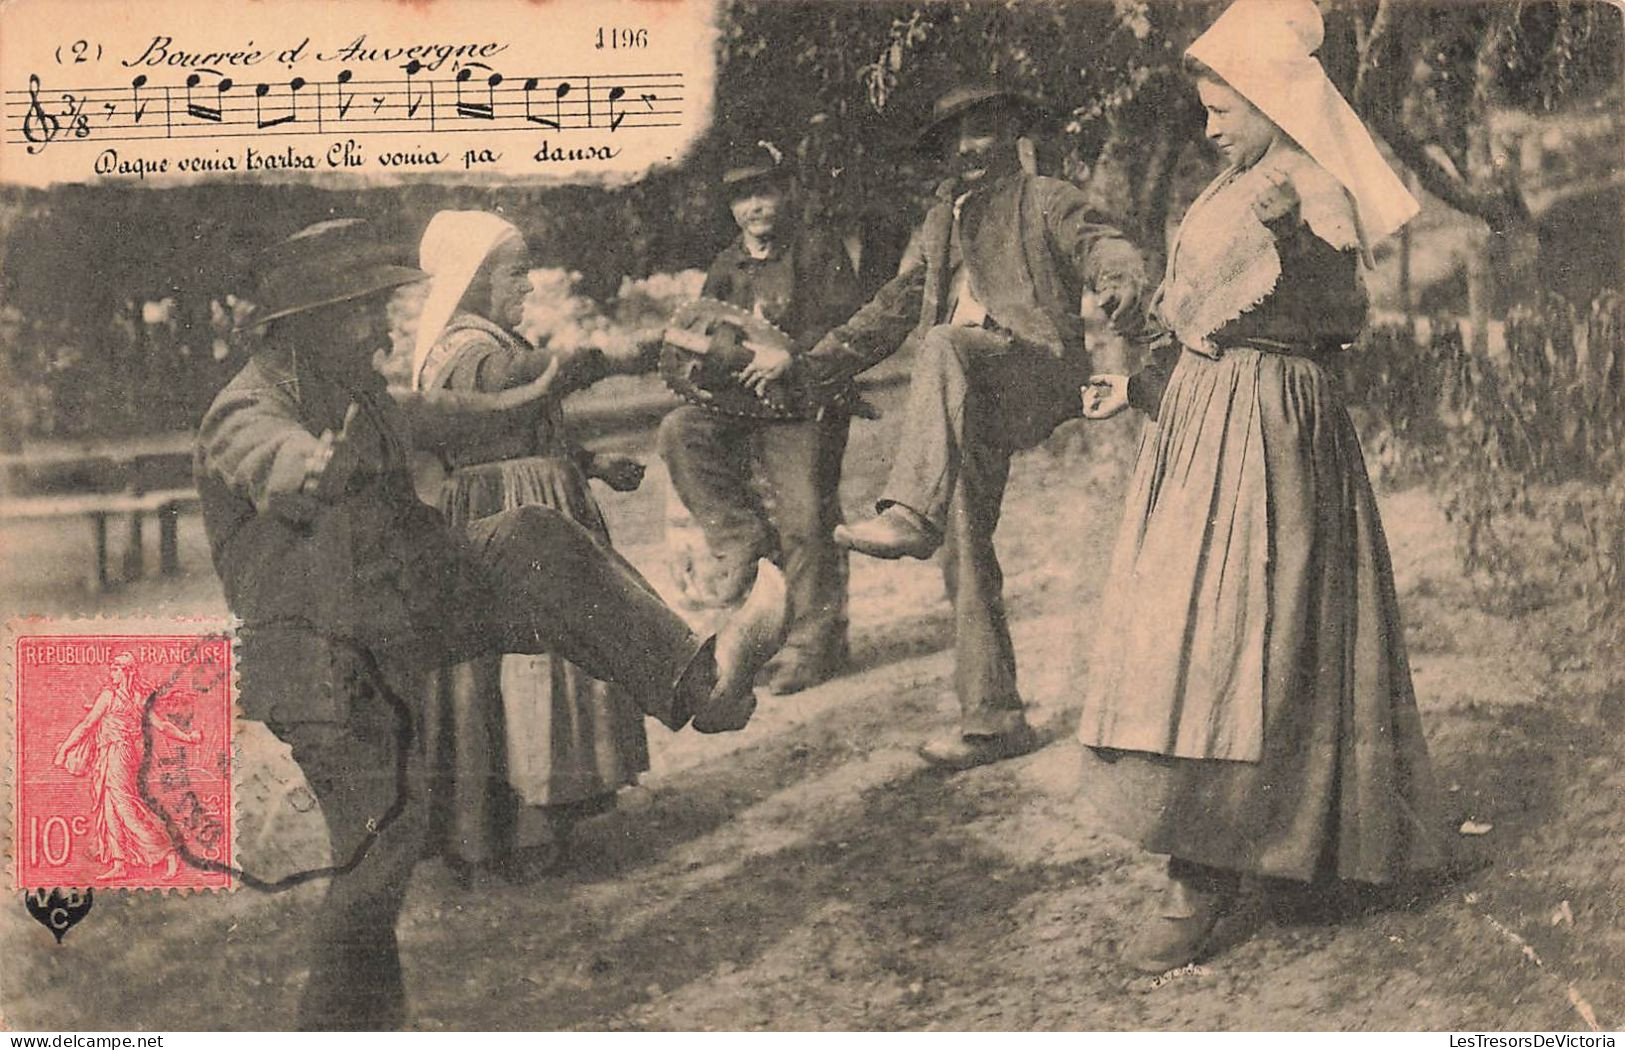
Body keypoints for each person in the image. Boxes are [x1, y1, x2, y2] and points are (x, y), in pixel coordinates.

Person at [195, 217, 788, 1029]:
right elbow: (270, 455)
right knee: (380, 859)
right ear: (302, 325)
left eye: (381, 304)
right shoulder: (248, 407)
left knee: (529, 538)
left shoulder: (354, 390)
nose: (381, 323)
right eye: (360, 309)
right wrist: (312, 468)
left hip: (401, 614)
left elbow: (469, 410)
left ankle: (700, 684)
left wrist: (598, 362)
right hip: (318, 663)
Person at [1074, 0, 1444, 974]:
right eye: (1203, 114)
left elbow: (1328, 316)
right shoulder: (1226, 190)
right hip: (1205, 424)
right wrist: (1139, 372)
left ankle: (1219, 873)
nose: (1210, 130)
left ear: (1275, 99)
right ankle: (1222, 858)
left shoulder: (1307, 186)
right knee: (1199, 634)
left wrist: (1308, 237)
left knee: (1250, 640)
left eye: (1221, 111)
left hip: (1271, 429)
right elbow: (1205, 324)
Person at [804, 85, 1148, 770]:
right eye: (954, 139)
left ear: (1012, 134)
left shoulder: (1044, 197)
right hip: (965, 396)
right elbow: (893, 305)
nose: (967, 149)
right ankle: (991, 716)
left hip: (1034, 374)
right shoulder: (936, 223)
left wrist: (1121, 280)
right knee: (962, 537)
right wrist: (810, 366)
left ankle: (907, 514)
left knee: (943, 343)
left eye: (982, 133)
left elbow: (1101, 243)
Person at [410, 209, 654, 881]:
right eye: (514, 271)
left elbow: (520, 423)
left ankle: (534, 818)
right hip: (508, 510)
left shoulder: (488, 342)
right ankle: (521, 827)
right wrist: (615, 356)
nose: (527, 283)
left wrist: (589, 461)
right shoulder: (468, 352)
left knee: (538, 663)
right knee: (525, 664)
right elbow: (518, 385)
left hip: (530, 496)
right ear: (471, 281)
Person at [657, 143, 863, 694]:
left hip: (800, 405)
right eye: (743, 197)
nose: (756, 206)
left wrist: (793, 356)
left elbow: (851, 327)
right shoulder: (727, 265)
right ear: (732, 208)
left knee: (803, 518)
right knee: (680, 430)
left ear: (785, 193)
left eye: (765, 192)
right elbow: (706, 332)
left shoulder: (816, 249)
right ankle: (738, 531)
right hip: (741, 405)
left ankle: (812, 644)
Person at [53, 651, 202, 881]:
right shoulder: (135, 698)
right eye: (112, 667)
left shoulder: (112, 697)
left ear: (126, 671)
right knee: (110, 807)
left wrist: (64, 750)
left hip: (118, 754)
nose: (112, 672)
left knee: (125, 807)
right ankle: (119, 862)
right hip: (115, 753)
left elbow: (86, 726)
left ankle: (167, 850)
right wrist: (189, 737)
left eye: (116, 668)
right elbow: (162, 726)